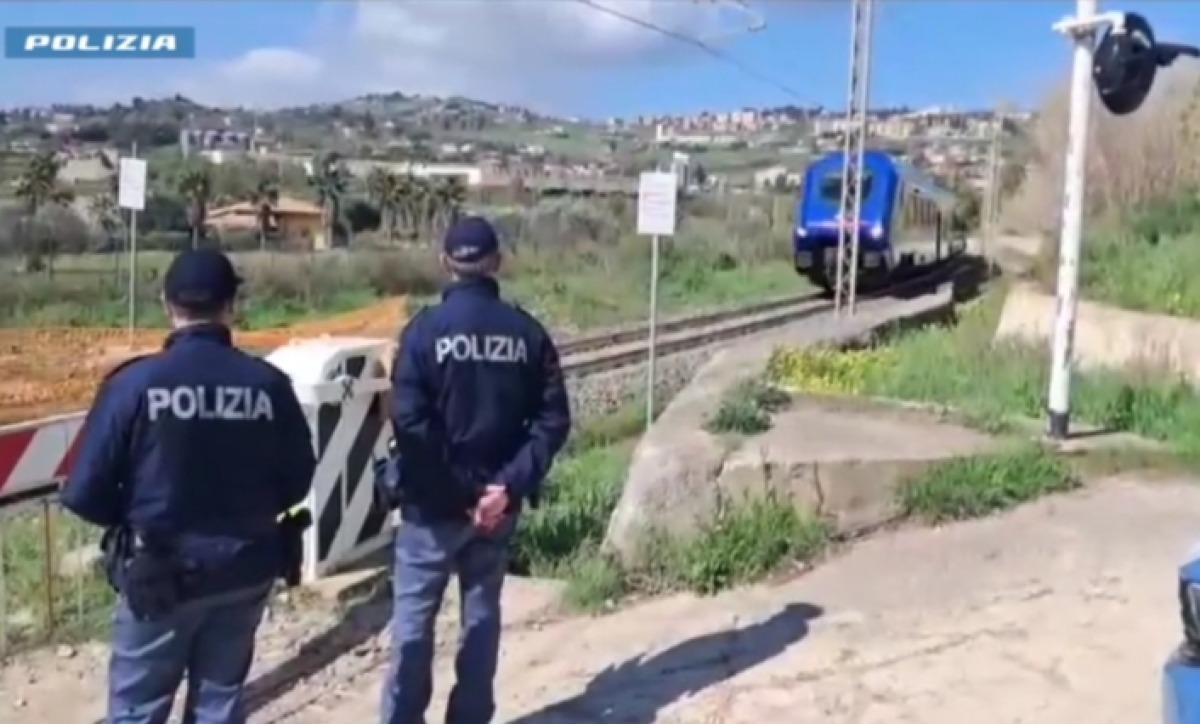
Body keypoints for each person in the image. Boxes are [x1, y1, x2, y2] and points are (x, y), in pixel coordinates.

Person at [60, 248, 316, 724]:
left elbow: (84, 492)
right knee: (219, 706)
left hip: (160, 574)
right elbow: (299, 478)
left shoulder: (133, 385)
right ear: (231, 304)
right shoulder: (268, 384)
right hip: (245, 567)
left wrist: (136, 519)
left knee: (139, 709)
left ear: (166, 303)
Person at [381, 216, 572, 724]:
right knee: (481, 619)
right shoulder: (528, 333)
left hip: (431, 507)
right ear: (496, 262)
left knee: (413, 626)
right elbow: (553, 420)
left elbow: (411, 425)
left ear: (446, 263)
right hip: (496, 506)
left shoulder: (422, 333)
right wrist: (503, 488)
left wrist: (459, 492)